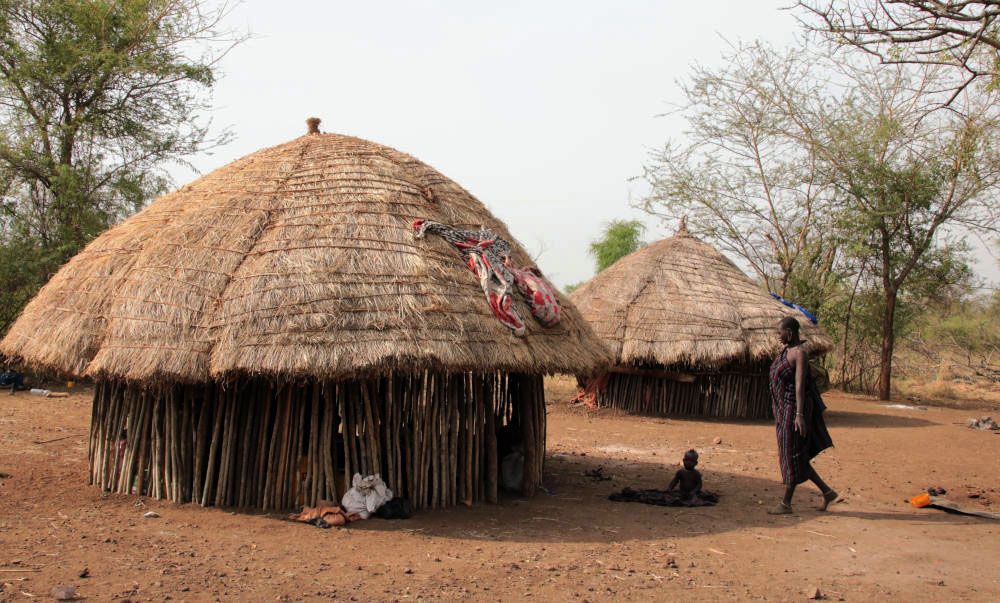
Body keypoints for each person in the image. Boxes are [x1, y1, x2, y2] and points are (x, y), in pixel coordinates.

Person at [767, 316, 837, 514]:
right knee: (795, 455)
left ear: (790, 332)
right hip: (782, 410)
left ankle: (786, 503)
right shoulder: (785, 351)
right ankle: (827, 491)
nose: (778, 336)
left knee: (792, 455)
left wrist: (799, 414)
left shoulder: (799, 354)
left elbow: (799, 386)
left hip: (793, 411)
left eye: (780, 332)